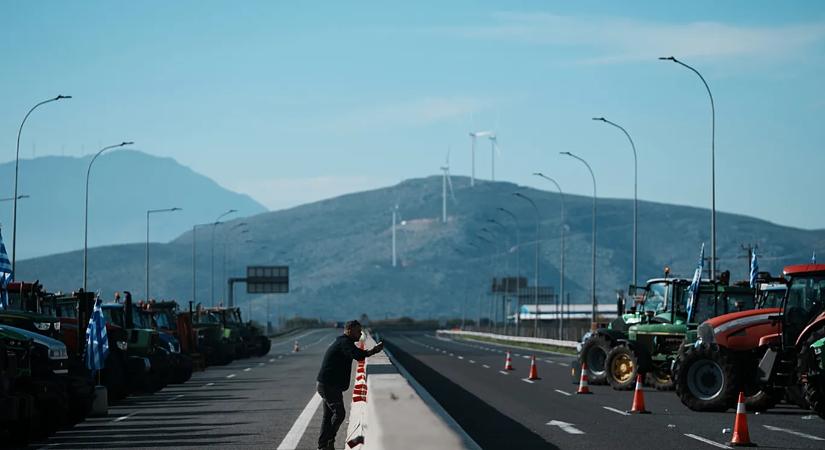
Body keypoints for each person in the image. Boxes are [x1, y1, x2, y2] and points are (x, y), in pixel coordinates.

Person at [316, 320, 383, 450]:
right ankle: (328, 440)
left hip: (328, 384)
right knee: (339, 413)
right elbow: (357, 355)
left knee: (328, 416)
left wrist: (371, 351)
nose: (361, 334)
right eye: (358, 331)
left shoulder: (344, 342)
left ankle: (323, 446)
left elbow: (356, 353)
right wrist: (373, 351)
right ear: (349, 330)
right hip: (329, 385)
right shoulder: (344, 342)